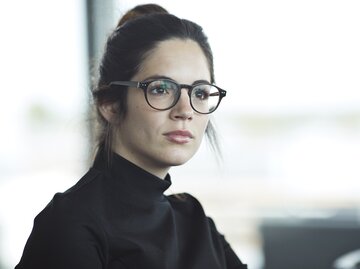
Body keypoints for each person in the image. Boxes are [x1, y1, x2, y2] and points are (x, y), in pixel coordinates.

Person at [15, 4, 247, 269]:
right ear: (110, 103)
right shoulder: (71, 223)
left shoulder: (195, 222)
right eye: (161, 89)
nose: (185, 111)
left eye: (200, 93)